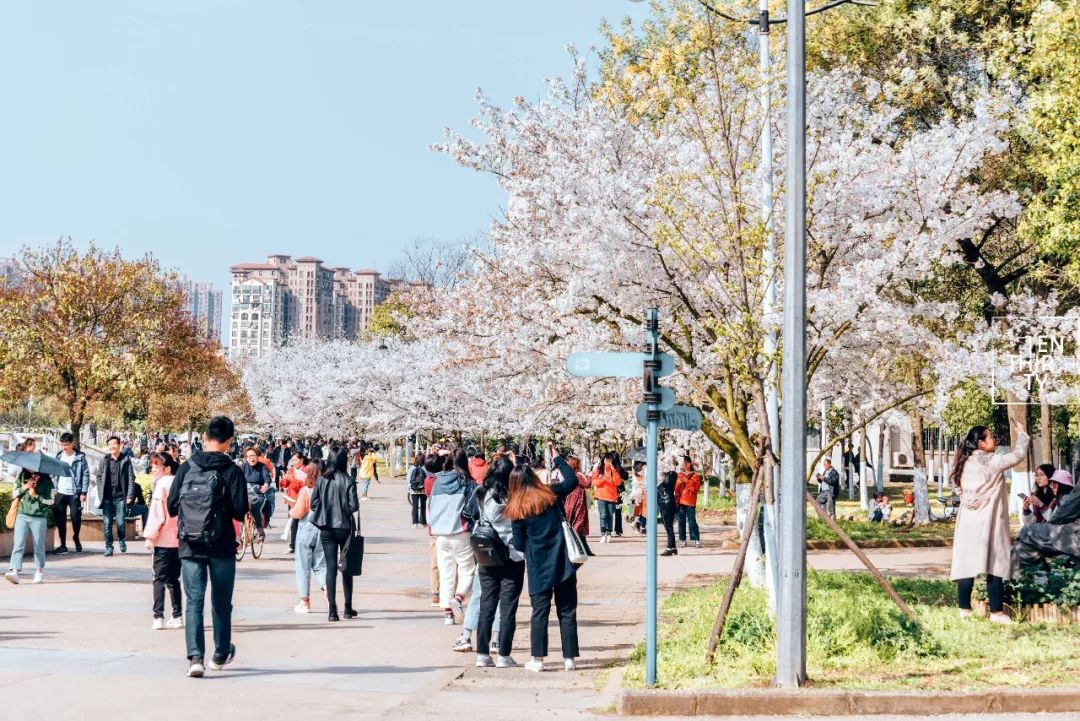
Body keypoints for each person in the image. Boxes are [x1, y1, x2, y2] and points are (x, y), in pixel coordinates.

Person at [167, 415, 249, 678]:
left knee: (194, 601)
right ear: (230, 441)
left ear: (204, 437)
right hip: (222, 545)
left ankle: (195, 658)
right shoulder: (232, 471)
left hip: (190, 545)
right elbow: (239, 511)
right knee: (221, 602)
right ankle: (220, 652)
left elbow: (171, 507)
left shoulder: (186, 467)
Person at [506, 446, 580, 672]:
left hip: (539, 567)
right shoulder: (551, 493)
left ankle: (537, 659)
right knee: (567, 610)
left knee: (540, 612)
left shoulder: (518, 508)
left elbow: (518, 545)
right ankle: (569, 659)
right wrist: (557, 458)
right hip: (564, 561)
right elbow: (572, 480)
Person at [950, 421, 1028, 625]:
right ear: (981, 444)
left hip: (968, 518)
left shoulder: (962, 462)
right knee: (996, 562)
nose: (994, 439)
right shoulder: (992, 461)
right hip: (989, 519)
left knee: (966, 563)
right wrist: (1021, 434)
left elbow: (957, 488)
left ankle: (964, 610)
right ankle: (996, 613)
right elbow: (1018, 455)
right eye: (990, 436)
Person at [472, 456, 523, 668]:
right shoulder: (516, 498)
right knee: (508, 608)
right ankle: (503, 655)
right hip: (512, 556)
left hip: (487, 555)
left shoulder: (481, 493)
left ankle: (482, 654)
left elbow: (472, 515)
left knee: (486, 605)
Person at [310, 447, 360, 621]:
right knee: (347, 567)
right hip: (344, 527)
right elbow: (354, 506)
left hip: (326, 526)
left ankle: (332, 610)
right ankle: (347, 608)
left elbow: (313, 503)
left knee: (330, 567)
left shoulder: (322, 480)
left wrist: (324, 510)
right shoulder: (348, 479)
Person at [428, 449, 476, 625]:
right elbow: (474, 508)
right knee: (467, 570)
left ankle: (448, 614)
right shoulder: (468, 483)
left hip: (441, 534)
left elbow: (430, 506)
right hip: (461, 532)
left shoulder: (437, 482)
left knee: (446, 573)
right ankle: (459, 597)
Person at [143, 453, 183, 630]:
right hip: (181, 539)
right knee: (174, 579)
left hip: (163, 539)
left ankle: (158, 616)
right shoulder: (181, 482)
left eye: (156, 466)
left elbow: (157, 514)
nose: (153, 470)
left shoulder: (162, 485)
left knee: (158, 578)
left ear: (167, 468)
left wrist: (150, 536)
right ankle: (178, 615)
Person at [1011, 470, 1078, 574]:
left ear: (1062, 485)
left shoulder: (1066, 501)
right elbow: (1033, 523)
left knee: (1026, 536)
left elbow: (1053, 521)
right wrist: (1026, 510)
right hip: (1063, 538)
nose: (1052, 486)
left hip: (1068, 540)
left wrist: (1041, 505)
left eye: (1054, 483)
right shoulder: (1055, 501)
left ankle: (1027, 577)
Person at [4, 470, 54, 585]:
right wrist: (25, 487)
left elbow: (51, 501)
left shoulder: (47, 481)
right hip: (22, 514)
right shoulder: (22, 476)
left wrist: (36, 496)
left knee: (39, 545)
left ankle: (39, 572)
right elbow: (14, 494)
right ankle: (15, 572)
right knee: (18, 544)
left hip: (39, 517)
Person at [290, 464, 326, 614]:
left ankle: (304, 601)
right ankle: (327, 589)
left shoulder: (306, 491)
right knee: (321, 564)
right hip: (323, 530)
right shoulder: (326, 490)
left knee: (303, 566)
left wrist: (291, 509)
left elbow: (299, 512)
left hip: (306, 530)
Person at [96, 435, 137, 556]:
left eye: (114, 444)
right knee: (107, 523)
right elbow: (99, 476)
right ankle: (109, 547)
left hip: (120, 497)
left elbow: (131, 479)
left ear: (120, 445)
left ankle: (122, 539)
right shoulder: (104, 460)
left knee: (120, 522)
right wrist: (100, 492)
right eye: (110, 444)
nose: (112, 446)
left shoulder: (126, 460)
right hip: (107, 497)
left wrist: (129, 495)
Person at [53, 432, 89, 554]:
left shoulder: (80, 457)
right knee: (60, 519)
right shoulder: (58, 456)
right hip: (60, 492)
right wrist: (53, 489)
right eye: (62, 444)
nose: (64, 447)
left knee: (75, 518)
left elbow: (85, 474)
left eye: (67, 444)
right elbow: (54, 473)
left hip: (75, 493)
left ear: (72, 443)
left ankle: (76, 537)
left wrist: (83, 492)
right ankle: (63, 545)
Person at [562, 456, 593, 557]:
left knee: (573, 523)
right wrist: (589, 476)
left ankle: (584, 549)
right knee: (579, 524)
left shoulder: (568, 474)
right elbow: (587, 484)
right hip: (578, 501)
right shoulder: (577, 475)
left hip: (570, 500)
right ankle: (580, 548)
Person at [280, 452, 310, 553]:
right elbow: (285, 485)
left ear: (301, 460)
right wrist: (284, 480)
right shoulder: (291, 470)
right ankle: (293, 545)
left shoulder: (308, 470)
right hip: (292, 499)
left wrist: (294, 480)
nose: (294, 462)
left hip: (302, 498)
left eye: (296, 460)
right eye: (292, 460)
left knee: (303, 521)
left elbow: (306, 485)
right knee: (293, 521)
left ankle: (302, 544)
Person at [590, 453, 621, 544]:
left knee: (610, 515)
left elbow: (618, 482)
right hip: (601, 496)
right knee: (603, 515)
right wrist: (602, 479)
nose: (608, 462)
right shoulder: (599, 470)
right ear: (603, 460)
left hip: (612, 496)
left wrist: (613, 470)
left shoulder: (615, 470)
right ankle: (603, 534)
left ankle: (609, 533)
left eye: (610, 460)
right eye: (607, 460)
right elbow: (593, 482)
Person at [241, 447, 272, 538]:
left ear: (257, 456)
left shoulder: (262, 466)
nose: (252, 458)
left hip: (258, 492)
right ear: (246, 458)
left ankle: (259, 527)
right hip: (245, 493)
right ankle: (242, 528)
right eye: (249, 456)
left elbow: (267, 477)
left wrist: (266, 485)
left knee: (255, 506)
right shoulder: (243, 467)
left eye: (254, 455)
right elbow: (237, 478)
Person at [675, 456, 702, 548]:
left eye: (687, 462)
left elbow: (695, 489)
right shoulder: (679, 475)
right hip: (680, 501)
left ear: (691, 463)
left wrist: (687, 481)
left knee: (692, 521)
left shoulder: (695, 476)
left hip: (690, 501)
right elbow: (676, 489)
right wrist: (679, 483)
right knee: (681, 521)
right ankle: (682, 540)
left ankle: (696, 539)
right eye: (683, 463)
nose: (685, 465)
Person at [659, 457, 679, 556]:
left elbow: (666, 486)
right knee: (667, 525)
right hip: (664, 502)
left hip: (667, 502)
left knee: (668, 526)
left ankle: (670, 547)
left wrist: (660, 478)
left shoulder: (671, 474)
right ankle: (673, 547)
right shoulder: (666, 475)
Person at [407, 453, 428, 527]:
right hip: (423, 490)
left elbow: (408, 479)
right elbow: (427, 479)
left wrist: (409, 489)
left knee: (415, 506)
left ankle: (415, 523)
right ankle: (423, 522)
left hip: (414, 490)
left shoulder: (412, 468)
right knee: (423, 506)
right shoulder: (425, 468)